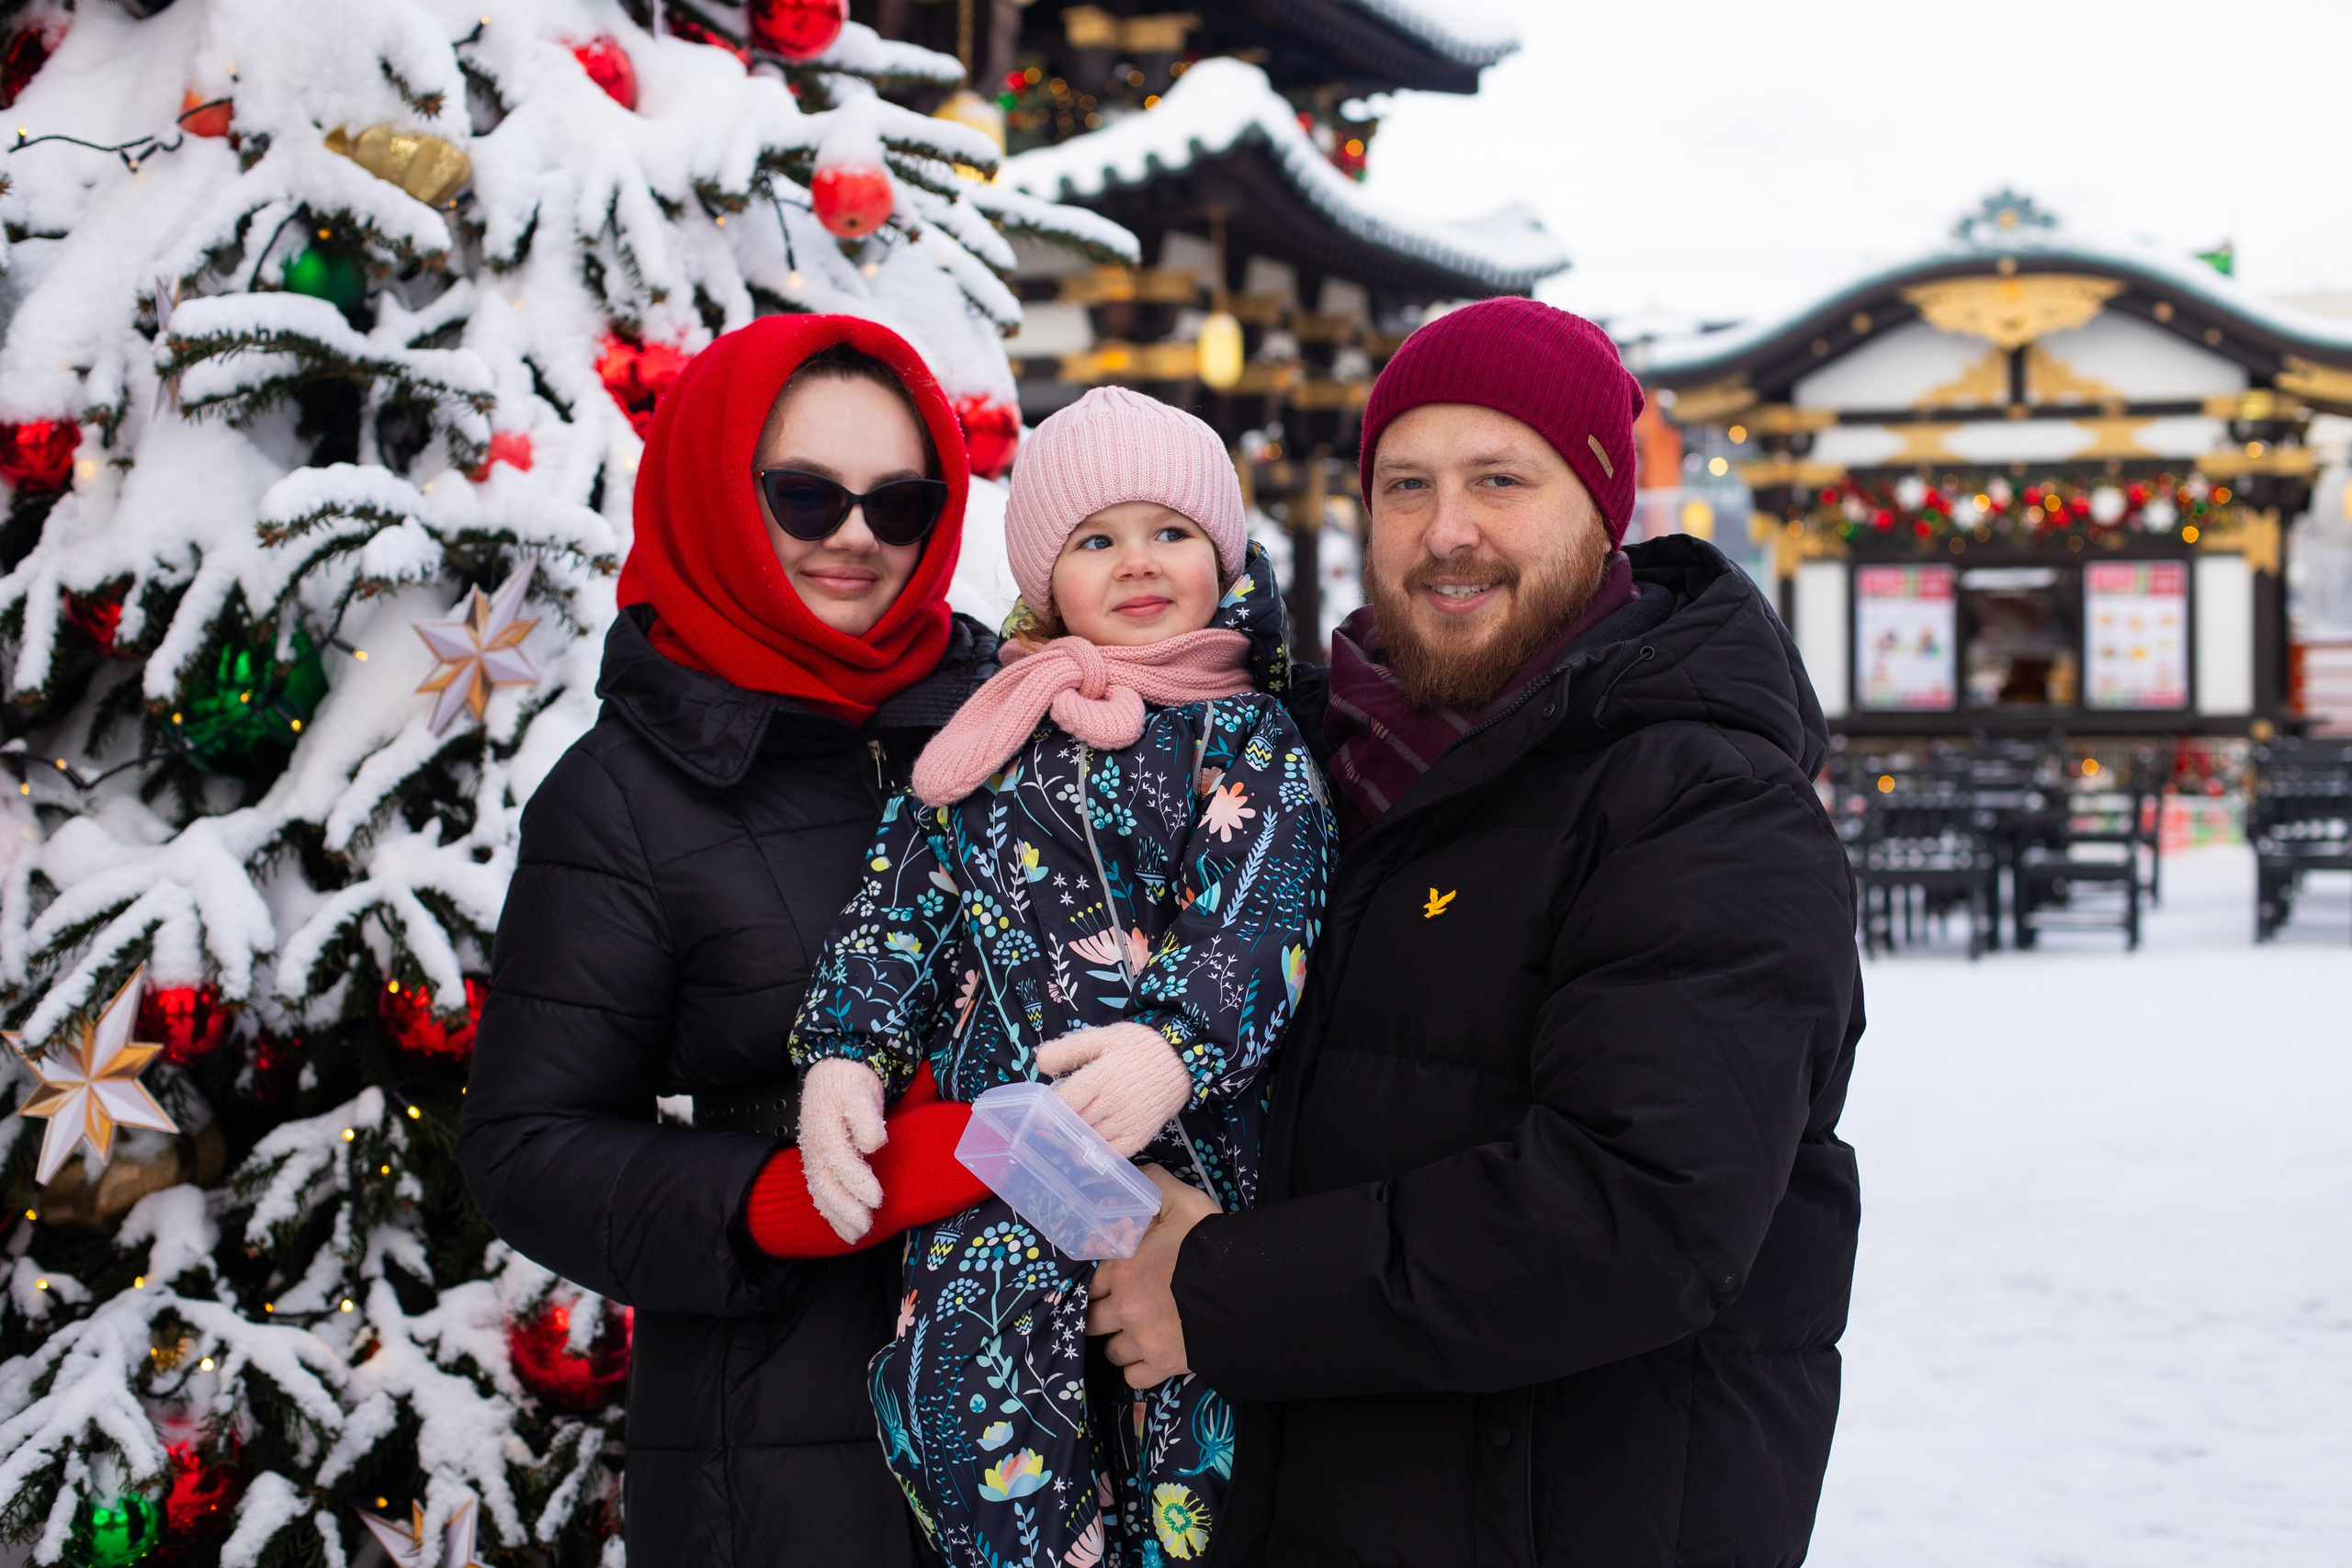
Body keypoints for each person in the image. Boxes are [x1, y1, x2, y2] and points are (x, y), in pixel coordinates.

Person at [1086, 299, 1865, 1567]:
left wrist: (1216, 1286)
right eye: (1408, 484)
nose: (1448, 531)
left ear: (1601, 507)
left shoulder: (1701, 799)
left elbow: (1640, 1208)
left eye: (1500, 478)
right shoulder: (1296, 769)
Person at [458, 315, 1001, 1568]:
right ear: (715, 489)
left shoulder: (1017, 727)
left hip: (1053, 1414)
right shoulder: (627, 793)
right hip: (781, 1450)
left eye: (902, 502)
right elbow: (527, 1139)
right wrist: (765, 1201)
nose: (857, 535)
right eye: (806, 496)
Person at [785, 387, 1336, 1568]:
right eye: (1096, 541)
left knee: (1176, 1390)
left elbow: (1263, 907)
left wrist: (1174, 1047)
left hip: (1186, 1148)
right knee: (970, 1355)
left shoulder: (1248, 736)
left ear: (1220, 555)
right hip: (1012, 1144)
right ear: (1046, 580)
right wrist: (845, 1051)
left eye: (1170, 533)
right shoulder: (987, 735)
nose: (1138, 563)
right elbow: (903, 908)